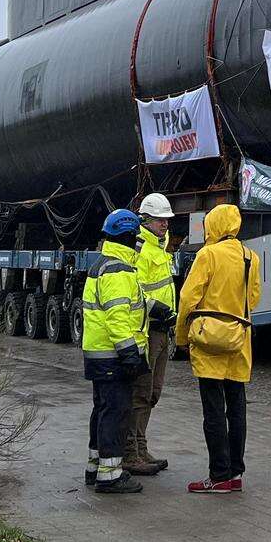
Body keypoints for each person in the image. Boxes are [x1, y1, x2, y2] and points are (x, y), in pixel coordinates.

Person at [176, 203, 261, 494]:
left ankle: (218, 474)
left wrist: (181, 337)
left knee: (213, 410)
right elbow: (254, 298)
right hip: (239, 340)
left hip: (209, 341)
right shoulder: (251, 257)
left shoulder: (207, 255)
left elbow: (188, 299)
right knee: (236, 408)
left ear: (213, 225)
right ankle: (235, 473)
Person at [82, 209, 151, 495]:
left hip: (99, 353)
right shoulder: (118, 269)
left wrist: (152, 307)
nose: (139, 241)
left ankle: (95, 466)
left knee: (102, 410)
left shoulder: (102, 264)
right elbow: (117, 316)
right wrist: (130, 354)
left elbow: (118, 306)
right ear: (128, 236)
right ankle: (110, 476)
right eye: (137, 236)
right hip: (113, 355)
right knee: (116, 413)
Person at [124, 193, 178, 477]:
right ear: (145, 220)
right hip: (146, 330)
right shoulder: (141, 249)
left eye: (167, 219)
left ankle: (141, 447)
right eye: (159, 219)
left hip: (162, 329)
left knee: (153, 393)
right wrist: (154, 309)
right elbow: (134, 291)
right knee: (141, 393)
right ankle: (131, 452)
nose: (165, 224)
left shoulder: (161, 247)